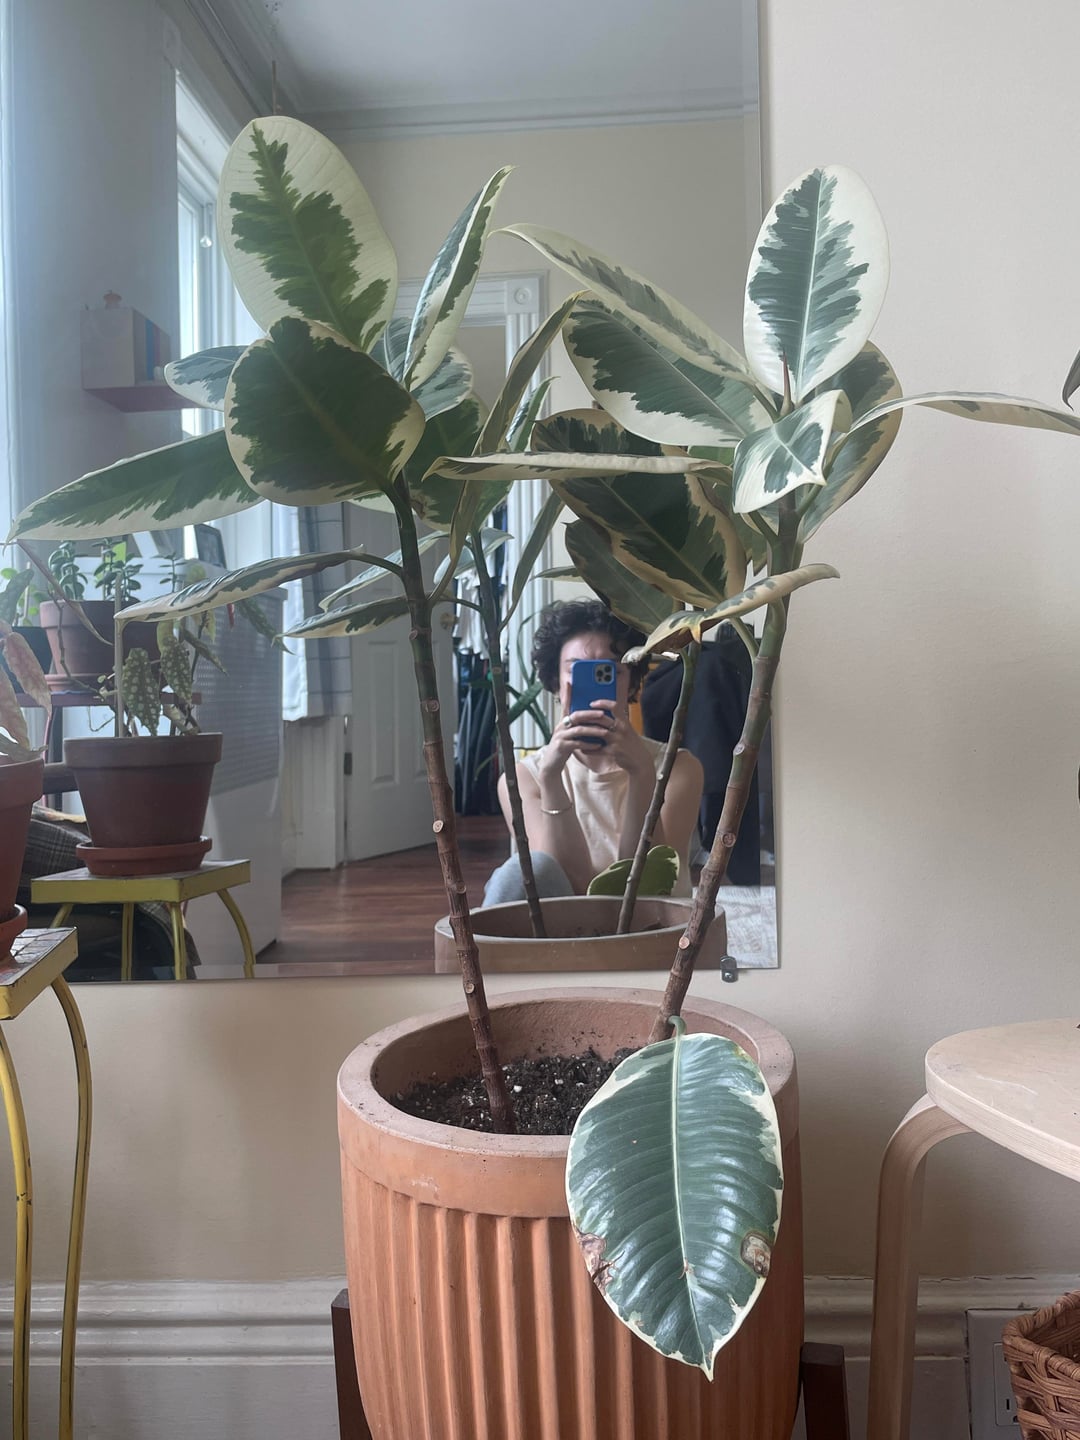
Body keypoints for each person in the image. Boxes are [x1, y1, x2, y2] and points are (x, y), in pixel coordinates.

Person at [483, 599, 704, 904]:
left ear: (631, 684)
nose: (595, 682)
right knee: (516, 873)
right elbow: (554, 884)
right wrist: (551, 779)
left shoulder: (678, 768)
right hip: (564, 922)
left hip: (650, 923)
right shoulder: (526, 777)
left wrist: (642, 774)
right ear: (556, 683)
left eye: (610, 672)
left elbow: (649, 888)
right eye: (578, 670)